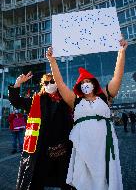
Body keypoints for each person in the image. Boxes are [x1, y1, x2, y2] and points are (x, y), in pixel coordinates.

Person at [46, 38, 128, 190]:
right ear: (78, 87)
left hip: (104, 142)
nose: (85, 85)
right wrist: (52, 61)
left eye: (88, 82)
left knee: (105, 175)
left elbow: (117, 77)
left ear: (94, 83)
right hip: (83, 143)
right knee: (83, 177)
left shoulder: (105, 95)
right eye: (82, 83)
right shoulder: (74, 100)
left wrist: (121, 52)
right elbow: (61, 83)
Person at [8, 73, 74, 190]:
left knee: (67, 181)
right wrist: (17, 83)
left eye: (52, 82)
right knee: (36, 181)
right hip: (41, 150)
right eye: (46, 83)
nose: (49, 85)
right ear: (43, 85)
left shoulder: (66, 99)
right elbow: (16, 101)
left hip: (63, 149)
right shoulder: (36, 101)